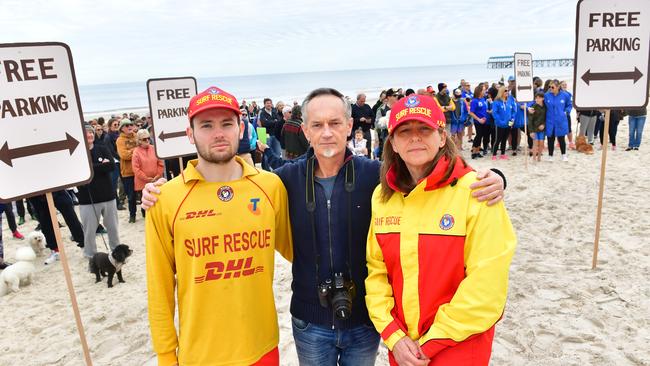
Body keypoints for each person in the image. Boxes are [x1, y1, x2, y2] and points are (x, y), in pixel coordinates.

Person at [144, 87, 506, 366]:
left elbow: (427, 184)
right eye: (317, 124)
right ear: (304, 130)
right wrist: (158, 192)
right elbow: (247, 208)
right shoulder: (279, 181)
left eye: (335, 123)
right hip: (308, 320)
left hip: (365, 321)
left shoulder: (378, 179)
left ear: (350, 125)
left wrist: (498, 178)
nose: (327, 133)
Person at [145, 86, 293, 366]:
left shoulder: (269, 186)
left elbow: (299, 251)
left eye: (227, 123)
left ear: (240, 129)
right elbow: (159, 288)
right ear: (190, 134)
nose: (218, 133)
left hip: (262, 346)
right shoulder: (165, 199)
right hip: (201, 354)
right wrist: (166, 356)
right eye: (206, 125)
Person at [365, 94, 516, 366]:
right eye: (404, 131)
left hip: (458, 346)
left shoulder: (476, 191)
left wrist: (431, 343)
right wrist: (394, 336)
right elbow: (376, 273)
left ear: (442, 137)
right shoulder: (382, 197)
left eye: (424, 129)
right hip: (403, 349)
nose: (415, 138)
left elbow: (487, 288)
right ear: (393, 144)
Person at [77, 125, 121, 260]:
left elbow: (111, 166)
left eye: (91, 132)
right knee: (89, 231)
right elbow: (80, 171)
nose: (90, 135)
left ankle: (116, 251)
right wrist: (100, 166)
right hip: (87, 199)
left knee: (113, 228)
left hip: (108, 196)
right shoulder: (78, 153)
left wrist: (91, 168)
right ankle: (90, 255)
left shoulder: (102, 148)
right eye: (86, 133)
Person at [132, 129, 163, 218]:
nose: (147, 141)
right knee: (145, 201)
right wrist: (146, 178)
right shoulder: (136, 152)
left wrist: (157, 175)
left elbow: (160, 163)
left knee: (157, 199)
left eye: (148, 138)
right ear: (139, 140)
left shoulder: (154, 148)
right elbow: (136, 169)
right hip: (142, 181)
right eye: (144, 139)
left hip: (156, 179)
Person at [116, 118, 139, 222]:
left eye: (130, 124)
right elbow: (124, 155)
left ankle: (145, 213)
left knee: (144, 193)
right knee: (131, 196)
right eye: (126, 125)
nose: (129, 126)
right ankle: (132, 215)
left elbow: (144, 148)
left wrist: (132, 151)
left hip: (140, 170)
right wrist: (136, 151)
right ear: (122, 128)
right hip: (128, 172)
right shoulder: (120, 140)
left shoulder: (137, 136)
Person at [544, 80, 571, 161]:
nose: (550, 88)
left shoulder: (565, 95)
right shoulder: (546, 95)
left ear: (558, 87)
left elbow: (569, 105)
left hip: (561, 120)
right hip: (550, 121)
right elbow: (539, 103)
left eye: (552, 87)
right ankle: (550, 155)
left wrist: (566, 112)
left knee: (561, 138)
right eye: (549, 87)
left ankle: (564, 155)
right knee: (550, 138)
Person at [492, 86, 513, 160]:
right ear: (501, 92)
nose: (507, 92)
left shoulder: (509, 101)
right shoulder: (496, 102)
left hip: (509, 124)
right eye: (505, 91)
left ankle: (503, 154)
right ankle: (494, 154)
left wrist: (512, 119)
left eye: (507, 91)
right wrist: (500, 121)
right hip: (500, 124)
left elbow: (513, 110)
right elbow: (494, 113)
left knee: (505, 139)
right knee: (498, 140)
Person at [351, 93, 374, 158]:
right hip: (356, 131)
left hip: (366, 130)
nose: (363, 103)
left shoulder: (367, 106)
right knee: (357, 149)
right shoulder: (353, 108)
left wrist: (369, 120)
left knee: (368, 148)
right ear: (357, 100)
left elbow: (373, 117)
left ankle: (369, 161)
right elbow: (350, 120)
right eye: (361, 101)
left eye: (364, 101)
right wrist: (359, 120)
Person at [469, 86, 489, 159]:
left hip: (484, 121)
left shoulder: (483, 99)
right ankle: (474, 152)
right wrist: (478, 119)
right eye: (483, 90)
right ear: (479, 91)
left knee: (481, 136)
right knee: (478, 135)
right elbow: (471, 112)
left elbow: (484, 110)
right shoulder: (474, 101)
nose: (485, 91)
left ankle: (477, 152)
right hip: (478, 121)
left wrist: (485, 116)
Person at [528, 92, 547, 162]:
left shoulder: (545, 107)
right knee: (535, 143)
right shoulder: (533, 107)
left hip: (542, 128)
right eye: (536, 98)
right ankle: (534, 158)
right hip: (534, 128)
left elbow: (546, 118)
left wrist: (544, 125)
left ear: (543, 98)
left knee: (541, 143)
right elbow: (530, 120)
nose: (537, 99)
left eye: (539, 98)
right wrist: (531, 131)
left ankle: (539, 157)